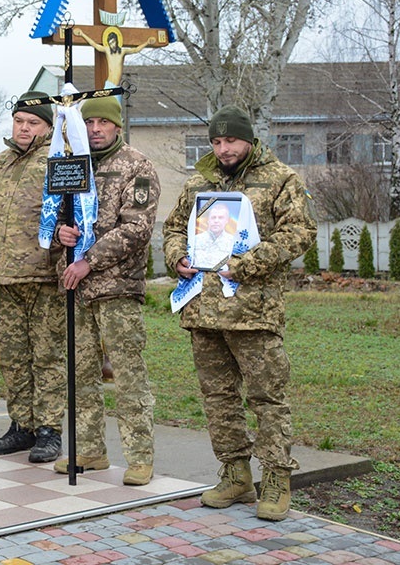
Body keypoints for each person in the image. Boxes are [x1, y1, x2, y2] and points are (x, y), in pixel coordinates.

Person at [163, 105, 316, 521]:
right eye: (216, 141)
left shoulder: (280, 178)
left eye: (231, 140)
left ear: (249, 139)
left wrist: (247, 262)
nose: (224, 148)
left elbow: (300, 231)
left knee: (268, 396)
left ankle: (277, 478)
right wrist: (176, 256)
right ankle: (236, 474)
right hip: (202, 309)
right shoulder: (200, 182)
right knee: (218, 398)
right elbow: (174, 228)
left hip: (253, 311)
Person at [56, 96, 160, 486]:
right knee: (80, 374)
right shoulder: (73, 164)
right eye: (90, 122)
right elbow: (56, 214)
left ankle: (139, 457)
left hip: (116, 288)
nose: (96, 128)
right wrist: (60, 235)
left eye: (104, 122)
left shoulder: (138, 167)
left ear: (117, 126)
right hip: (76, 291)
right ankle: (90, 449)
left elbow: (136, 229)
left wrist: (89, 260)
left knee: (128, 376)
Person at [0, 91, 66, 463]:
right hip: (4, 280)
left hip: (45, 280)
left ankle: (49, 431)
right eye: (20, 121)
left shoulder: (59, 162)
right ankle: (22, 425)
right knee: (12, 357)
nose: (24, 128)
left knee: (47, 357)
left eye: (33, 122)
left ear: (48, 127)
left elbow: (74, 214)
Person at [74, 27, 155, 86]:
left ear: (116, 41)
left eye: (113, 42)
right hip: (110, 82)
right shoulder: (107, 50)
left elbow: (135, 50)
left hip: (118, 84)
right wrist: (82, 34)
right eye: (110, 43)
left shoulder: (123, 51)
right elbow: (94, 44)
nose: (112, 45)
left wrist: (147, 42)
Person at [193, 202, 236, 269]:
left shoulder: (234, 242)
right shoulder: (195, 240)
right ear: (208, 220)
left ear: (227, 220)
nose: (216, 221)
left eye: (220, 218)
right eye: (213, 217)